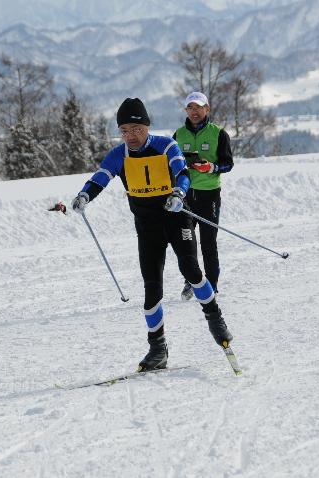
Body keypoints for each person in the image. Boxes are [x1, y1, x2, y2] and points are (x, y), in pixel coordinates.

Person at [71, 97, 233, 372]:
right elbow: (100, 178)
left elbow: (183, 173)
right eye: (125, 131)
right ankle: (158, 348)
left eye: (137, 130)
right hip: (148, 227)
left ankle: (215, 320)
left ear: (147, 127)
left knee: (191, 270)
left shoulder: (165, 145)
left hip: (176, 217)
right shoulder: (119, 154)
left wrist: (179, 193)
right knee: (151, 287)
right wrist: (85, 195)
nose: (131, 136)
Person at [173, 92, 234, 300]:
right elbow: (168, 163)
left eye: (198, 107)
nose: (195, 111)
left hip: (209, 195)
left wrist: (211, 167)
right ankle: (191, 282)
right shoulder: (178, 134)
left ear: (207, 109)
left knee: (208, 243)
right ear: (186, 111)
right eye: (190, 107)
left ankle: (212, 285)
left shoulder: (219, 133)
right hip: (185, 195)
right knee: (186, 243)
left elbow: (228, 164)